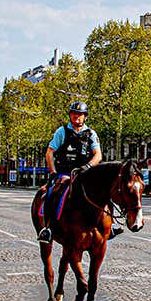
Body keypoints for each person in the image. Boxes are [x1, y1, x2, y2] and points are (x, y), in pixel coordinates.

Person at [36, 101, 109, 242]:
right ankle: (48, 227)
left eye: (80, 115)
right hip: (64, 173)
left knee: (105, 191)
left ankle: (110, 225)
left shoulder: (91, 134)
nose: (77, 117)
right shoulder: (62, 132)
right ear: (70, 115)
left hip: (85, 173)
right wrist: (53, 172)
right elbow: (49, 152)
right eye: (74, 114)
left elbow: (98, 155)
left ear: (85, 117)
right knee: (52, 192)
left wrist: (88, 166)